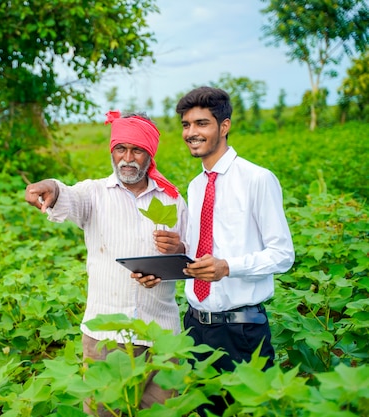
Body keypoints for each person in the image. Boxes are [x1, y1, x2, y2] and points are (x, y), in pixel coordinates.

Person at [24, 111, 188, 415]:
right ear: (112, 151)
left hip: (161, 335)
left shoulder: (172, 200)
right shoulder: (93, 193)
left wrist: (177, 249)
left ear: (150, 154)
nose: (127, 158)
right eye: (120, 149)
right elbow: (66, 197)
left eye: (137, 150)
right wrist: (51, 187)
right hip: (106, 339)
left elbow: (187, 260)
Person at [174, 86, 295, 414]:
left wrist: (227, 267)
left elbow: (283, 254)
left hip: (241, 329)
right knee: (205, 411)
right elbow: (206, 246)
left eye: (202, 124)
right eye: (186, 125)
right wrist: (180, 249)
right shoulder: (196, 185)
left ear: (224, 126)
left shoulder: (257, 179)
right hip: (195, 325)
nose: (191, 133)